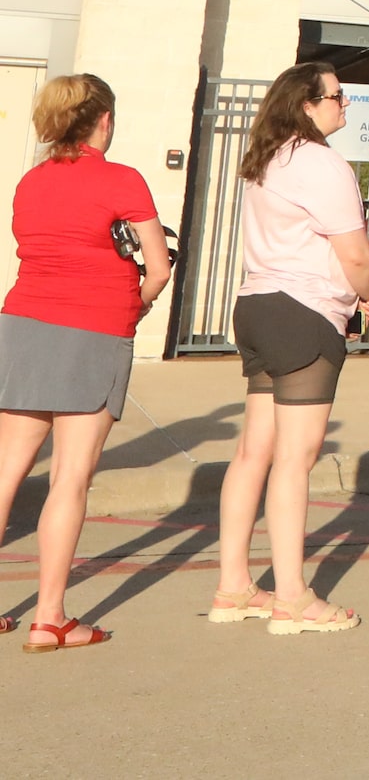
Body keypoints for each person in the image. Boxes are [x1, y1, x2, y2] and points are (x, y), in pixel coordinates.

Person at [0, 74, 171, 651]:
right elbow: (160, 267)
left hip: (22, 324)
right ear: (104, 120)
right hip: (94, 330)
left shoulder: (31, 182)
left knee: (5, 471)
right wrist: (136, 304)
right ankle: (50, 618)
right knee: (70, 478)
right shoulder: (122, 180)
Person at [214, 61, 369, 635]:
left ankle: (234, 585)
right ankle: (292, 597)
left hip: (257, 304)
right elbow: (355, 253)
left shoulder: (266, 159)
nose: (345, 105)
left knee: (253, 452)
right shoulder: (322, 163)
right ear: (307, 105)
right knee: (295, 459)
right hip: (305, 309)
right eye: (337, 96)